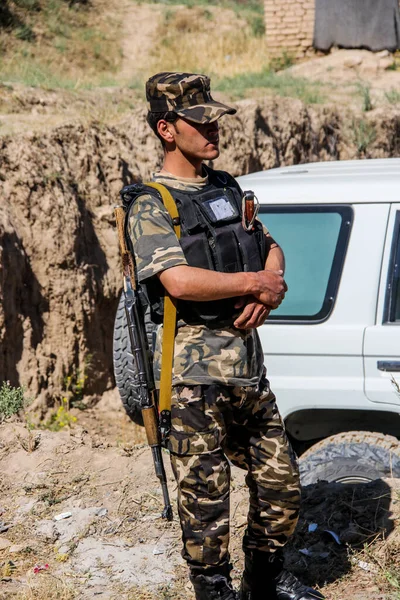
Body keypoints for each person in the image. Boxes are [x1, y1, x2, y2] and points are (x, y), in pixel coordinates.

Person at [126, 72, 325, 600]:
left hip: (246, 372)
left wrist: (267, 288)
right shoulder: (151, 203)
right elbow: (177, 279)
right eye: (199, 120)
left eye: (215, 117)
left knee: (280, 483)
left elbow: (269, 245)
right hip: (192, 380)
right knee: (206, 499)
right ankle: (213, 590)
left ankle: (263, 583)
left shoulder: (227, 188)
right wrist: (251, 281)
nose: (213, 128)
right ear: (167, 129)